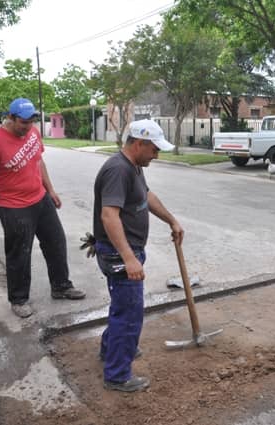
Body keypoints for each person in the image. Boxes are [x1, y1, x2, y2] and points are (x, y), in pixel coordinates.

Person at [0, 98, 85, 319]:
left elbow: (38, 162)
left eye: (31, 122)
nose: (28, 127)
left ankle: (61, 286)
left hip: (40, 198)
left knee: (56, 242)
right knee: (19, 253)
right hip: (13, 206)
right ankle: (19, 299)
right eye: (23, 122)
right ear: (10, 118)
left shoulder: (32, 133)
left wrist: (50, 190)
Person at [91, 119, 183, 393]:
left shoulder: (133, 166)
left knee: (123, 307)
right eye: (154, 149)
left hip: (125, 251)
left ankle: (112, 348)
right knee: (130, 314)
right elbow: (109, 216)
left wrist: (171, 220)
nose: (157, 155)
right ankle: (117, 375)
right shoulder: (118, 170)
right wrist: (129, 258)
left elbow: (147, 196)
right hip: (119, 253)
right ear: (139, 143)